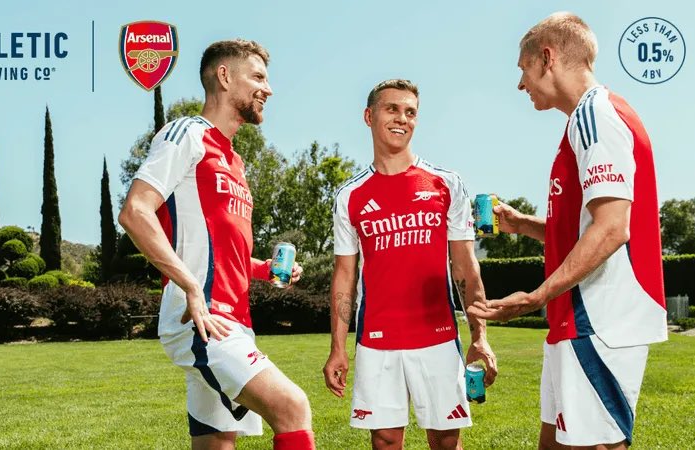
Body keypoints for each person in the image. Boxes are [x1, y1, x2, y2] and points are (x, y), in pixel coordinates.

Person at [467, 12, 667, 450]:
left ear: (547, 57)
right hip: (575, 320)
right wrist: (522, 225)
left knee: (595, 444)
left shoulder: (595, 115)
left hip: (600, 318)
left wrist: (536, 296)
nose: (521, 85)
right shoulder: (581, 122)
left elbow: (613, 228)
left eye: (523, 70)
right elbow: (585, 228)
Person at [119, 39, 315, 450]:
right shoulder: (187, 133)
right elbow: (135, 211)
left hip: (233, 320)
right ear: (225, 77)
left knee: (216, 441)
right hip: (203, 320)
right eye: (258, 77)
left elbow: (227, 251)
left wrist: (265, 270)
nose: (269, 89)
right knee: (292, 407)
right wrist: (191, 287)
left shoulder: (236, 161)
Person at [323, 79, 498, 450]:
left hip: (436, 336)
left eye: (410, 112)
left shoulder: (446, 184)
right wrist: (338, 347)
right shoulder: (349, 196)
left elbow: (466, 268)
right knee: (385, 441)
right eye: (392, 109)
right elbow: (344, 277)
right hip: (377, 340)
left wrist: (480, 335)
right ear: (369, 116)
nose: (402, 118)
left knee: (446, 440)